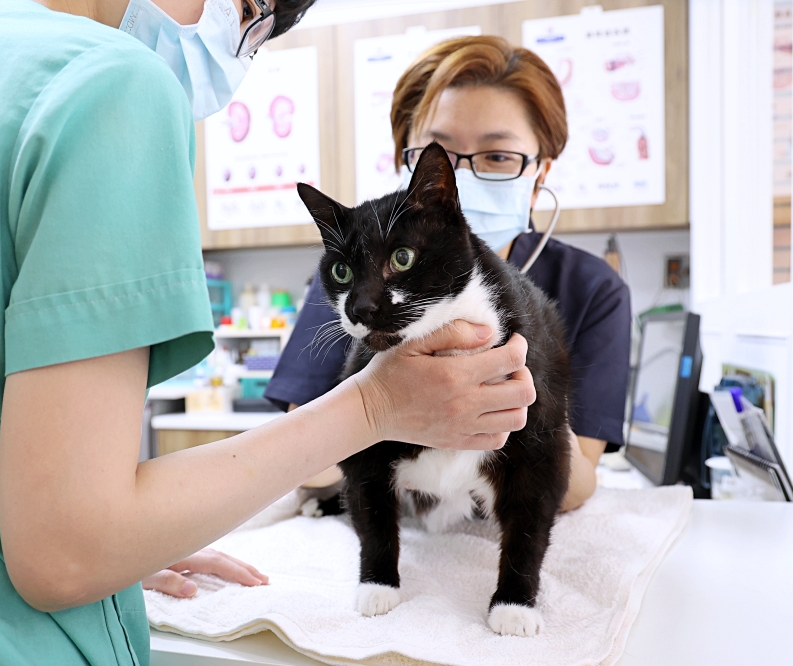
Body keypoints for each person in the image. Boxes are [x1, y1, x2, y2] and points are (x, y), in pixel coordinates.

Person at [0, 3, 538, 665]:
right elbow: (67, 553)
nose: (235, 52)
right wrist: (375, 405)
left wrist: (132, 536)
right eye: (249, 10)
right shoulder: (112, 85)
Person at [266, 35, 632, 512]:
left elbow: (575, 485)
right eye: (437, 154)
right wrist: (381, 406)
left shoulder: (592, 289)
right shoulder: (360, 278)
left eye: (497, 156)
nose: (457, 178)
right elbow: (308, 466)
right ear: (407, 161)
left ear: (539, 175)